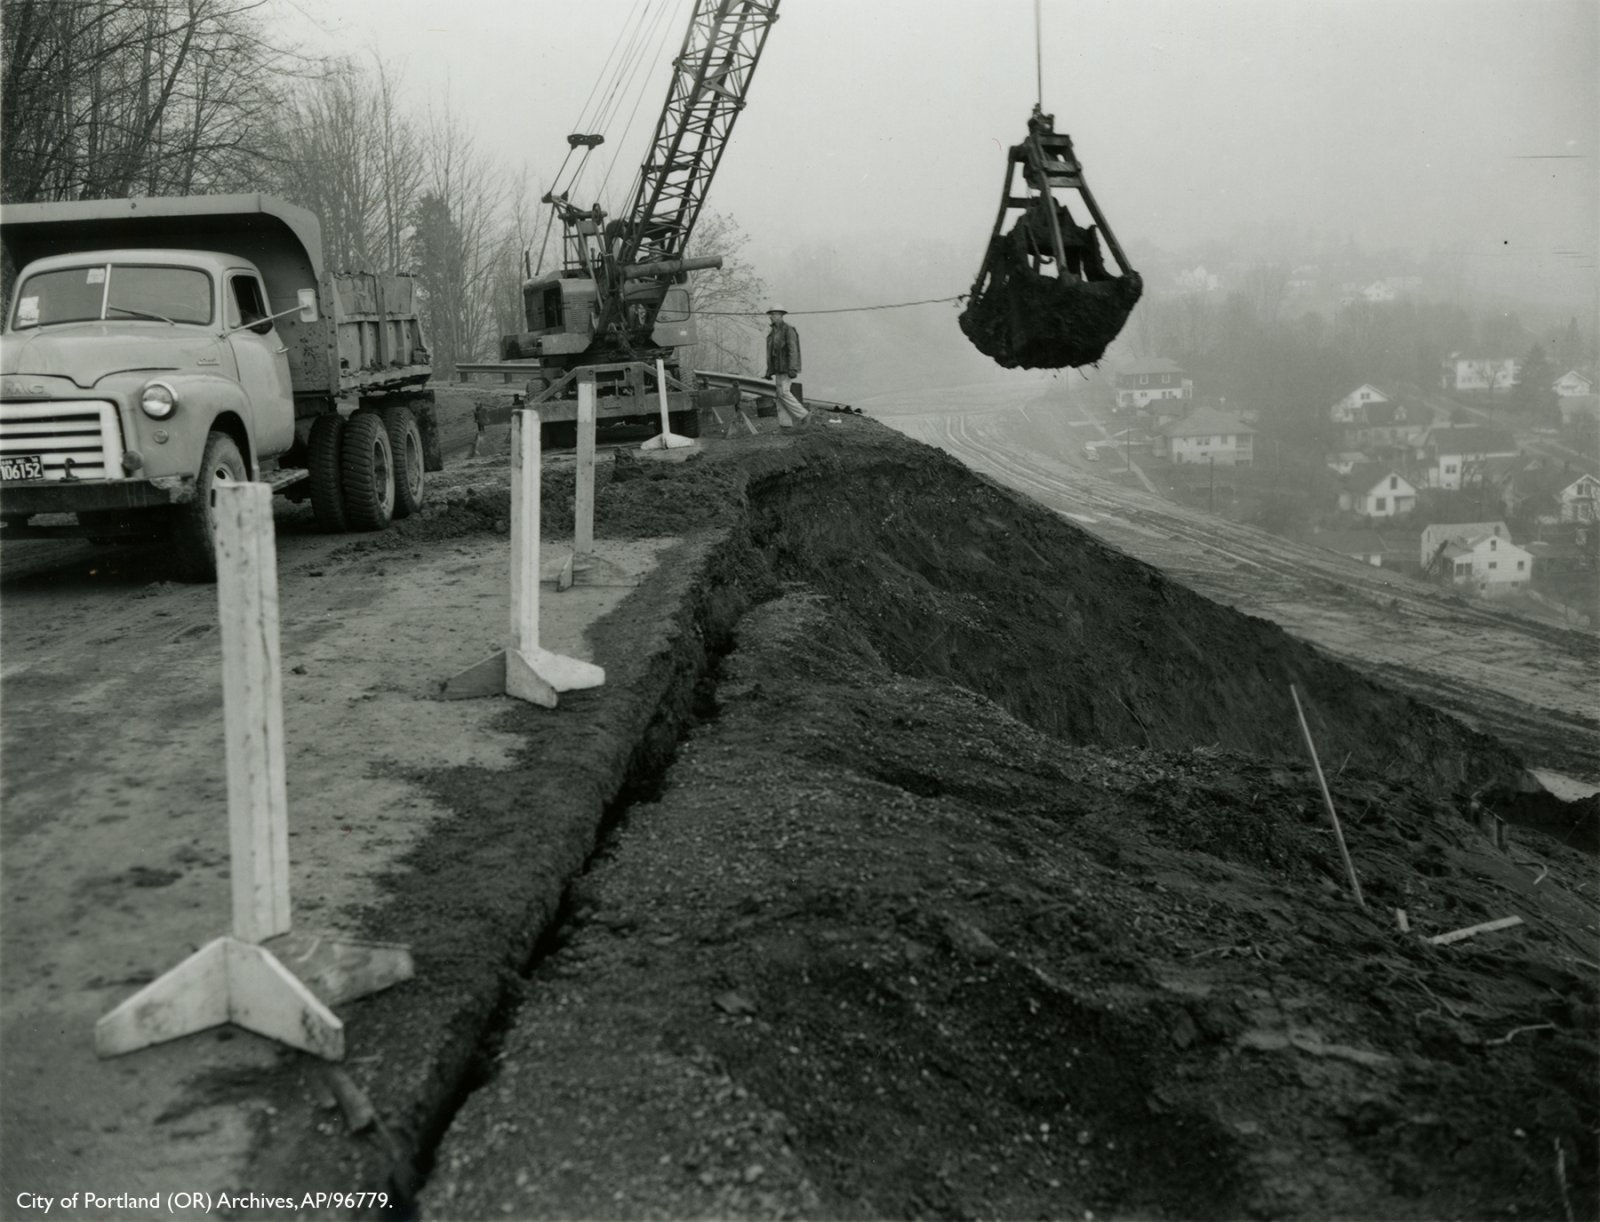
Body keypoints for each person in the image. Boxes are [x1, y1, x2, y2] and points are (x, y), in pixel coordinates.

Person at [764, 305, 810, 428]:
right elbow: (771, 353)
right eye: (771, 314)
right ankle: (785, 424)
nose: (771, 317)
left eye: (773, 314)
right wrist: (769, 370)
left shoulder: (788, 330)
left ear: (780, 315)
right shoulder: (773, 332)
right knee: (780, 395)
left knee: (784, 393)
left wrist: (792, 368)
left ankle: (804, 415)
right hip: (778, 368)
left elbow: (793, 350)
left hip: (786, 368)